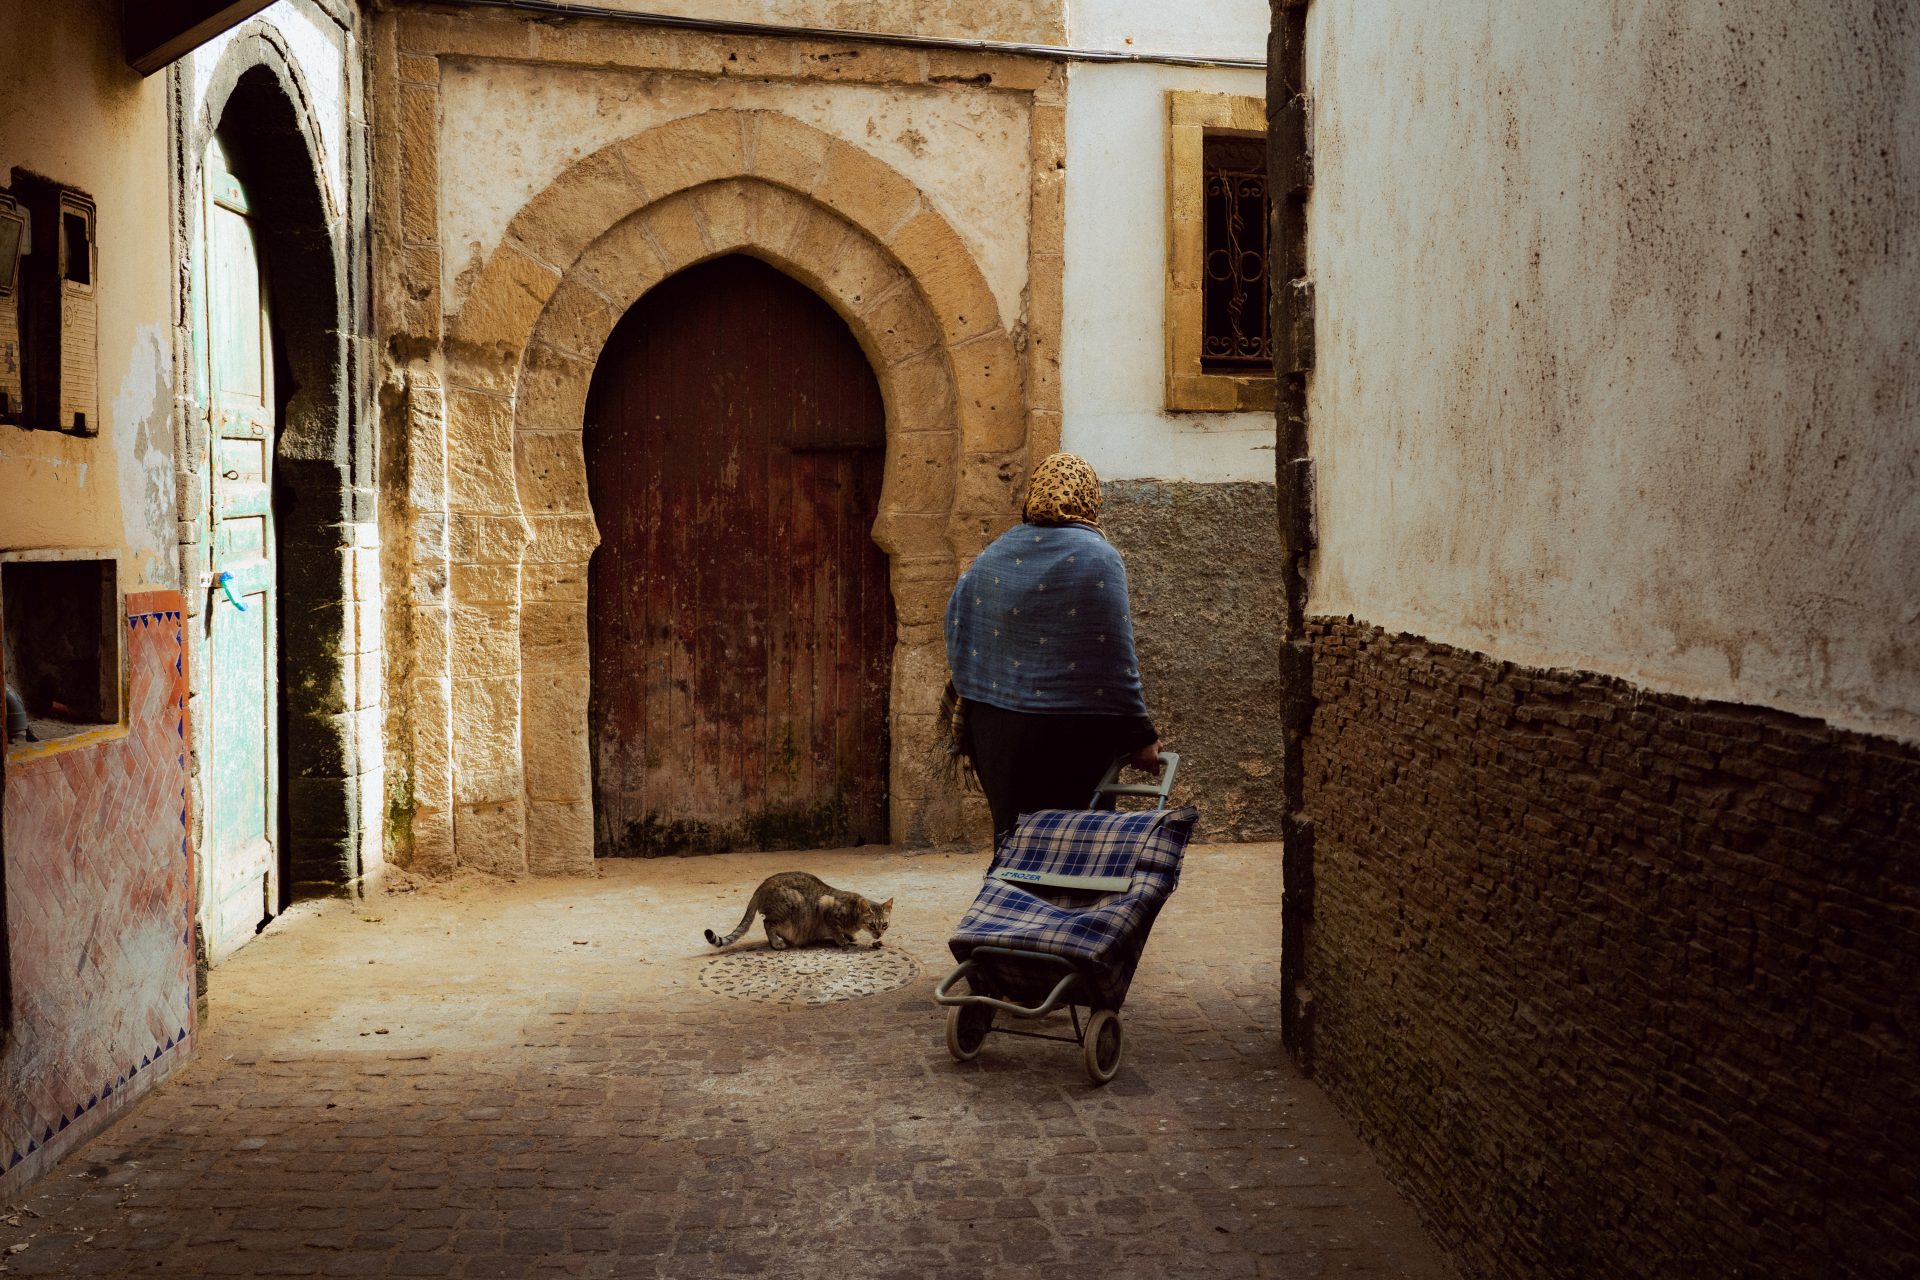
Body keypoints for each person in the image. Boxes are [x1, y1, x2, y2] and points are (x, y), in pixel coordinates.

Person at [943, 452, 1162, 840]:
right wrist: (1140, 734)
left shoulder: (993, 554)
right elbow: (1114, 658)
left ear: (1033, 494)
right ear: (1090, 497)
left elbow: (958, 627)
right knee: (1072, 848)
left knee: (1013, 846)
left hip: (995, 729)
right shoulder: (1099, 559)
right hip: (1073, 734)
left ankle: (1008, 903)